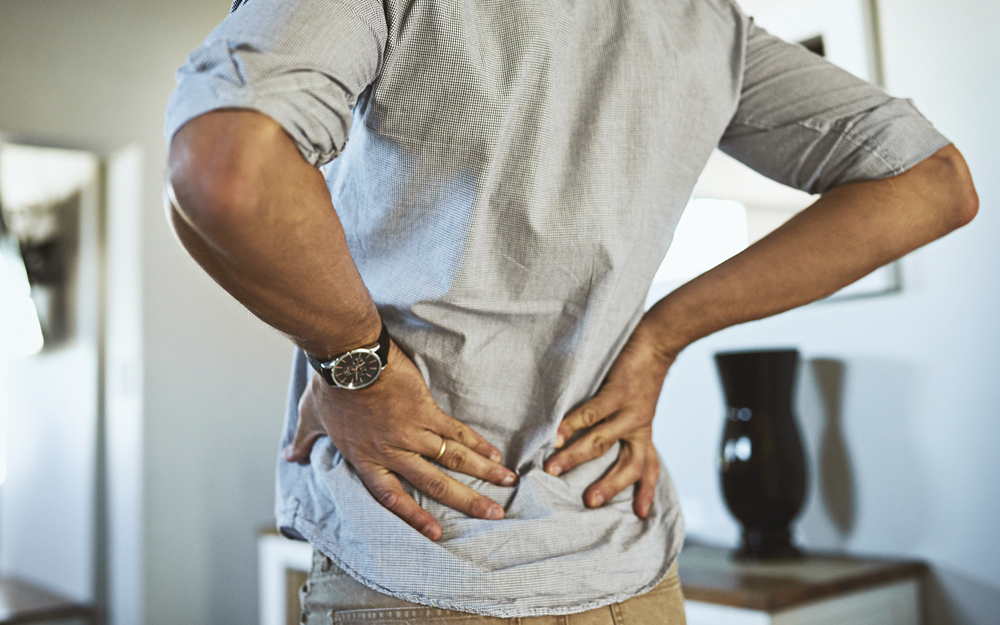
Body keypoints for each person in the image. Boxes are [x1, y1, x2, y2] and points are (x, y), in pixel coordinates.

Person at [163, 0, 978, 622]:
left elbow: (223, 169)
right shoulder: (704, 23)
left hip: (421, 561)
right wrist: (663, 336)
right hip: (629, 568)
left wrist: (356, 364)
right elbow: (934, 181)